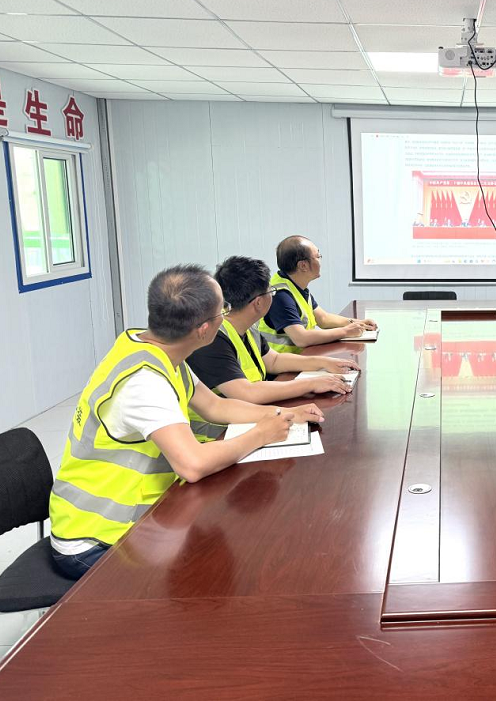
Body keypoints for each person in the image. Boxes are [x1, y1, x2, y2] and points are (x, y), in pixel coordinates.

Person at [48, 264, 324, 579]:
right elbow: (192, 465)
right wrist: (261, 434)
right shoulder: (144, 380)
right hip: (97, 539)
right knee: (219, 570)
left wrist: (282, 415)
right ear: (204, 330)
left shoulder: (157, 349)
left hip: (143, 517)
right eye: (223, 311)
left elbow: (215, 406)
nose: (227, 316)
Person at [188, 255, 360, 407]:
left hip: (247, 414)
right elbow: (247, 393)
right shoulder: (213, 339)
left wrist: (324, 363)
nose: (272, 295)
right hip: (216, 429)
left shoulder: (245, 326)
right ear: (258, 303)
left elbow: (274, 361)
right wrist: (311, 384)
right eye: (270, 291)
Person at [258, 235, 377, 353]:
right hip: (283, 363)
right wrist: (345, 331)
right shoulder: (280, 295)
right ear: (303, 265)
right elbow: (301, 338)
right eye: (318, 256)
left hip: (302, 357)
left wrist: (357, 323)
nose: (320, 261)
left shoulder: (295, 286)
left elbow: (323, 319)